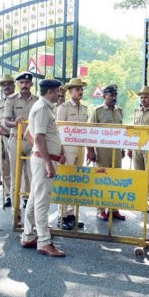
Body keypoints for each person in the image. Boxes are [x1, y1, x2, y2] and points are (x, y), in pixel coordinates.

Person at [21, 78, 66, 257]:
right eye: (58, 91)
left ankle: (29, 235)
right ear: (50, 92)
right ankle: (44, 242)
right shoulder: (42, 109)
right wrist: (46, 161)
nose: (60, 94)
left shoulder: (45, 108)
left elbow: (27, 134)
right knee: (42, 201)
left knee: (35, 198)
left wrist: (43, 154)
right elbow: (37, 137)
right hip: (43, 161)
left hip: (42, 158)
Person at [86, 84, 126, 221]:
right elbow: (90, 133)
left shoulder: (119, 111)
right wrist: (90, 151)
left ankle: (113, 209)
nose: (114, 98)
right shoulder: (97, 111)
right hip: (102, 151)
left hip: (116, 151)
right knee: (102, 179)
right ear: (104, 96)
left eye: (115, 95)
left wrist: (123, 148)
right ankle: (101, 209)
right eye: (111, 95)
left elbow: (122, 132)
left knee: (116, 179)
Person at [56, 77, 89, 230]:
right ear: (69, 92)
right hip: (67, 148)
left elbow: (86, 131)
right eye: (77, 89)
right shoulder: (63, 108)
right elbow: (58, 131)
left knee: (76, 181)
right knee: (65, 181)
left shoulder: (84, 109)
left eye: (81, 89)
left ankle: (72, 214)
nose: (80, 91)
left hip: (80, 148)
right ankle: (61, 216)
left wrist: (89, 149)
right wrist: (60, 151)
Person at [4, 72, 38, 208]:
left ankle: (32, 212)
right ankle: (15, 212)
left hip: (32, 142)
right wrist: (15, 123)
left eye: (27, 82)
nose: (24, 85)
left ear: (31, 84)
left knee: (33, 176)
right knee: (15, 177)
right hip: (15, 140)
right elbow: (6, 121)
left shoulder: (37, 100)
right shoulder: (11, 99)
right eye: (22, 83)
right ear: (18, 84)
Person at [128, 85, 149, 214]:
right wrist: (131, 147)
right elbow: (134, 129)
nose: (143, 99)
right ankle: (141, 199)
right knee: (139, 173)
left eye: (146, 97)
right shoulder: (137, 111)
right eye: (141, 97)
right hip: (137, 144)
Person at [0, 74, 15, 207]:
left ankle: (21, 194)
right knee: (5, 168)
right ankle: (8, 195)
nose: (6, 87)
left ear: (14, 86)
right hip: (4, 139)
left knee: (20, 168)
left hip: (18, 138)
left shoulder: (19, 100)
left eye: (9, 84)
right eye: (4, 85)